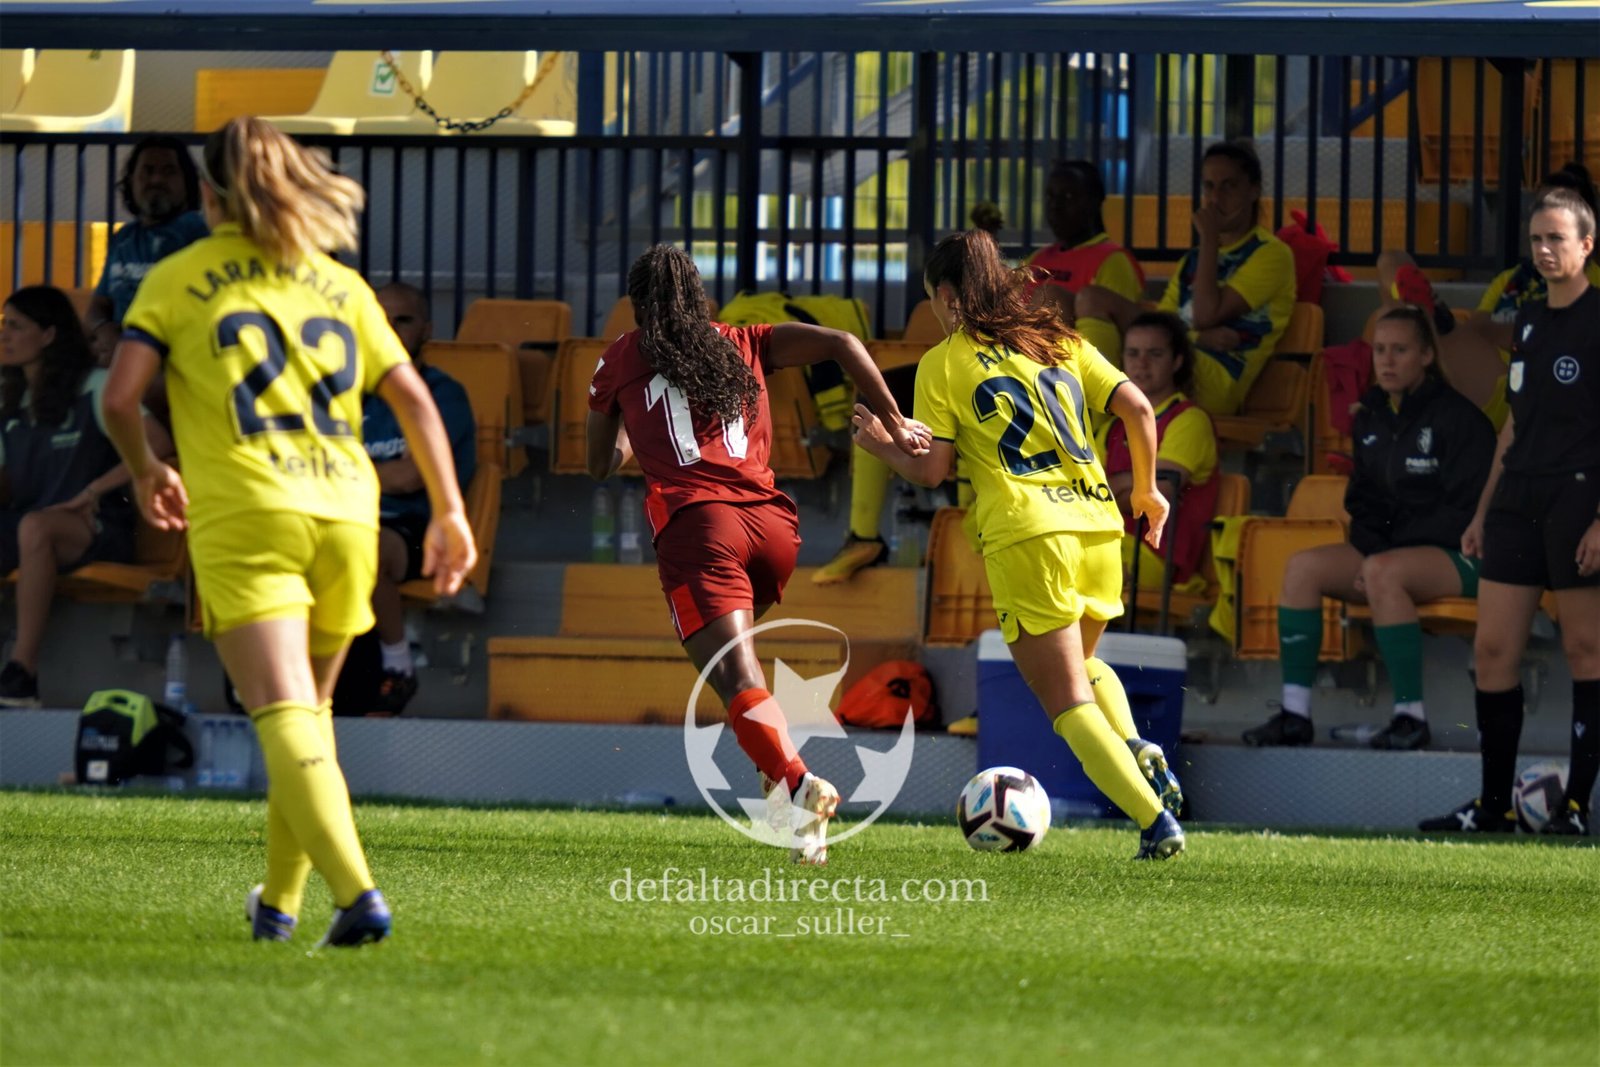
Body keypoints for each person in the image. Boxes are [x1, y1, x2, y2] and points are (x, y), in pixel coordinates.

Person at [101, 117, 476, 945]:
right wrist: (449, 509)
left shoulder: (177, 273)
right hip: (350, 512)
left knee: (280, 712)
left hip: (249, 509)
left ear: (207, 194)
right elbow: (413, 398)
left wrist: (145, 469)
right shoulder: (338, 282)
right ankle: (277, 905)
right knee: (310, 713)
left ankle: (358, 893)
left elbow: (120, 397)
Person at [586, 244, 930, 865]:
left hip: (700, 528)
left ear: (639, 305)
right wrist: (897, 421)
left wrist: (645, 439)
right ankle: (785, 805)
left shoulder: (620, 357)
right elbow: (845, 343)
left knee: (734, 676)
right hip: (773, 530)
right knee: (731, 675)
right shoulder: (745, 339)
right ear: (699, 294)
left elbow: (598, 464)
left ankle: (801, 786)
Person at [852, 228, 1186, 860]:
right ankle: (1136, 745)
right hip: (1099, 528)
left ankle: (1154, 822)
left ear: (948, 297)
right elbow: (1140, 410)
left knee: (1065, 705)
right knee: (1083, 668)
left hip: (1028, 535)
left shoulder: (944, 361)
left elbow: (932, 471)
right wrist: (1146, 491)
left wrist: (877, 444)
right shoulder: (1059, 340)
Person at [1422, 186, 1600, 835]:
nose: (1546, 250)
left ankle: (1575, 806)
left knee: (1587, 648)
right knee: (1493, 648)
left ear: (1587, 244)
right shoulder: (1527, 320)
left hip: (1579, 494)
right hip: (1517, 497)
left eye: (1558, 238)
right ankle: (1493, 805)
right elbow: (1513, 427)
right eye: (1537, 240)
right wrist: (1481, 510)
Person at [1243, 306, 1496, 752]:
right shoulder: (1371, 415)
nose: (1387, 361)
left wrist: (1384, 555)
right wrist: (1377, 548)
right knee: (1302, 568)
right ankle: (1295, 714)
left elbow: (1465, 512)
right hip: (1392, 553)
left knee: (1384, 571)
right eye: (1380, 350)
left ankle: (1409, 717)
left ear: (1425, 356)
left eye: (1400, 350)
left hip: (1465, 553)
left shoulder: (1459, 419)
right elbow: (1363, 500)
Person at [0, 286, 173, 707]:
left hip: (98, 527)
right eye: (3, 325)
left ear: (49, 335)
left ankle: (22, 673)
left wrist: (95, 489)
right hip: (30, 525)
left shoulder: (96, 386)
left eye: (16, 326)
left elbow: (159, 447)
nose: (4, 335)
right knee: (30, 526)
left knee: (35, 528)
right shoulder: (11, 404)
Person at [1073, 142, 1296, 417]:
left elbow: (1204, 314)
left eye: (1229, 186)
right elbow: (1167, 324)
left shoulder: (1272, 254)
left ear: (1253, 190)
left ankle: (1091, 424)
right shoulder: (1194, 258)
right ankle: (1085, 414)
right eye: (1209, 187)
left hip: (1217, 379)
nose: (1216, 198)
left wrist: (1209, 238)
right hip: (1172, 356)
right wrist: (1198, 337)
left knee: (1114, 322)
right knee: (1082, 299)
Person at [1377, 163, 1600, 430]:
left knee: (1409, 333)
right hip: (1480, 371)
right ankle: (1424, 317)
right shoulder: (1511, 279)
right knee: (1390, 262)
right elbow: (1478, 329)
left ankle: (1425, 319)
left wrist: (1511, 332)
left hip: (1530, 388)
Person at [361, 281, 476, 713]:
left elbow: (411, 476)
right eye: (381, 321)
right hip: (350, 515)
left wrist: (346, 474)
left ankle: (397, 664)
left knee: (365, 548)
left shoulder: (443, 394)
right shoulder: (346, 392)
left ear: (426, 330)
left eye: (403, 321)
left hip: (414, 527)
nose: (390, 330)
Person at [1098, 310, 1218, 599]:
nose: (1141, 363)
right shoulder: (1114, 425)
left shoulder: (1189, 420)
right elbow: (1086, 491)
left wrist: (1106, 489)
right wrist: (1131, 483)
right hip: (1110, 542)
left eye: (1154, 354)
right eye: (1133, 353)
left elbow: (1156, 495)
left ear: (1177, 361)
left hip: (1157, 560)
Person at [84, 136, 210, 365]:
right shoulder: (123, 238)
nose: (157, 179)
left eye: (169, 171)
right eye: (147, 171)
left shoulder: (200, 234)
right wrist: (103, 330)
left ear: (188, 183)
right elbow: (99, 304)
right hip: (121, 360)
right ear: (131, 181)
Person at [1025, 159, 1147, 368]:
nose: (1055, 205)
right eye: (1050, 196)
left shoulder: (1113, 260)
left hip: (1073, 373)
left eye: (1068, 196)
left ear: (1094, 201)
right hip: (1022, 365)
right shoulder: (1037, 258)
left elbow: (1121, 339)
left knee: (1051, 298)